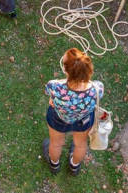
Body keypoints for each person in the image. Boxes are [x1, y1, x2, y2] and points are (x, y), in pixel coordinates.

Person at [42, 48, 103, 176]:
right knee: (80, 145)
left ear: (66, 70)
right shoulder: (97, 88)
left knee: (55, 143)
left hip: (58, 118)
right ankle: (74, 167)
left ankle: (54, 165)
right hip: (83, 120)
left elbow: (49, 95)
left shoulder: (54, 86)